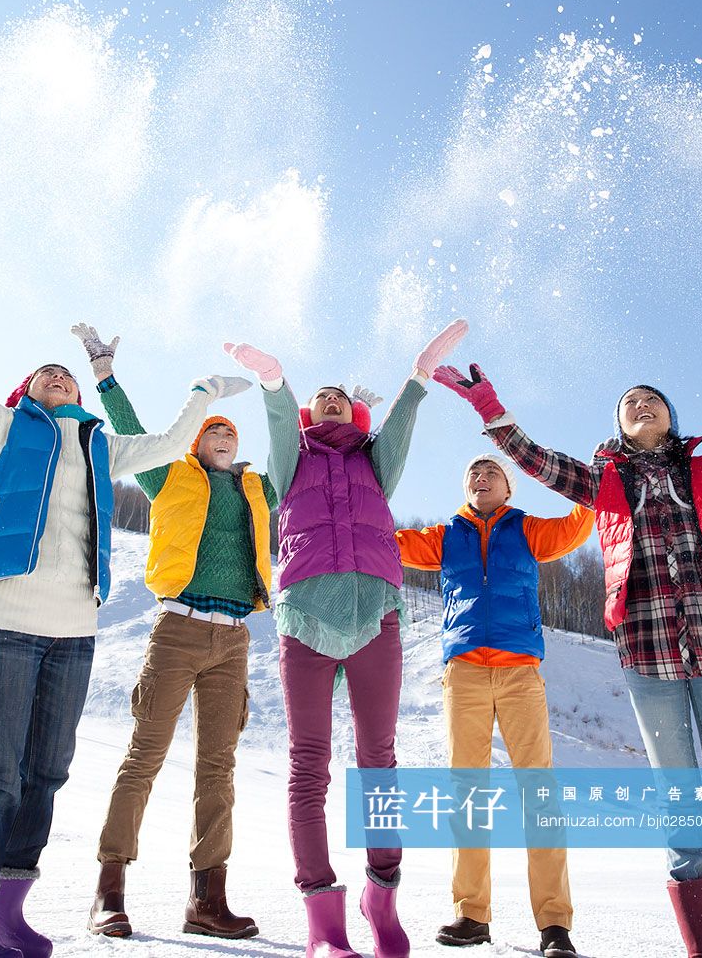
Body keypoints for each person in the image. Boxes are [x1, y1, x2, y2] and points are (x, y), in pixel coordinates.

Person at [0, 284, 246, 958]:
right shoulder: (6, 427)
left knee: (45, 771)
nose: (60, 375)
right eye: (48, 373)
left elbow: (167, 443)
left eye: (67, 374)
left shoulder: (103, 446)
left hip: (74, 631)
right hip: (9, 619)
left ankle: (8, 911)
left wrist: (203, 391)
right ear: (29, 391)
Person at [434, 364, 702, 958]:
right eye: (629, 402)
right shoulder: (604, 484)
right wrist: (486, 401)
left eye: (651, 400)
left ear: (670, 418)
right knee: (681, 808)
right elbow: (533, 457)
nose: (640, 405)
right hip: (646, 652)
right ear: (618, 426)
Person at [225, 319, 468, 958]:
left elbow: (402, 429)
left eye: (340, 397)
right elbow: (280, 426)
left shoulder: (372, 460)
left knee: (379, 761)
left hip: (375, 615)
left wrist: (418, 377)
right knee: (309, 765)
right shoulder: (293, 459)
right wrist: (274, 381)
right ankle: (323, 925)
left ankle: (381, 898)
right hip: (305, 614)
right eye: (320, 397)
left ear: (355, 412)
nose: (329, 401)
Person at [70, 324, 275, 941]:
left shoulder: (256, 490)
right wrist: (105, 375)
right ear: (193, 441)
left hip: (234, 638)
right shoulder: (171, 477)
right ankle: (109, 890)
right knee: (145, 757)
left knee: (218, 767)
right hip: (178, 628)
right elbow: (132, 432)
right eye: (209, 429)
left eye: (227, 431)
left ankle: (207, 899)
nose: (218, 434)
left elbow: (297, 460)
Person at [396, 453, 593, 956]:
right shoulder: (446, 536)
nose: (481, 478)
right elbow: (383, 541)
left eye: (492, 473)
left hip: (520, 672)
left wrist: (594, 480)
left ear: (509, 488)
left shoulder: (526, 530)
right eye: (473, 474)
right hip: (463, 671)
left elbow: (577, 524)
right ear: (466, 488)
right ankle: (471, 913)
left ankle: (554, 924)